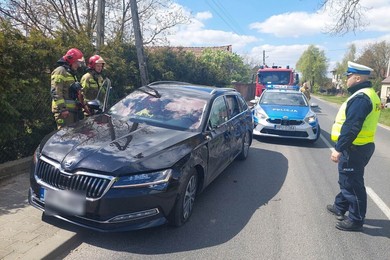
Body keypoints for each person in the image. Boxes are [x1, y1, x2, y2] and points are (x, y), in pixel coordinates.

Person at [327, 61, 381, 232]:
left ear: (357, 78)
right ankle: (340, 206)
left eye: (348, 76)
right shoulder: (368, 94)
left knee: (351, 183)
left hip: (353, 148)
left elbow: (352, 126)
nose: (346, 80)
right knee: (347, 180)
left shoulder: (361, 98)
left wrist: (338, 148)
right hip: (360, 147)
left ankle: (356, 219)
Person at [51, 48, 87, 129]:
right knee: (64, 137)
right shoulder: (60, 71)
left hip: (72, 111)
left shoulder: (70, 73)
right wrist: (63, 109)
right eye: (77, 62)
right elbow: (56, 91)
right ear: (71, 60)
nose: (78, 65)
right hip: (64, 112)